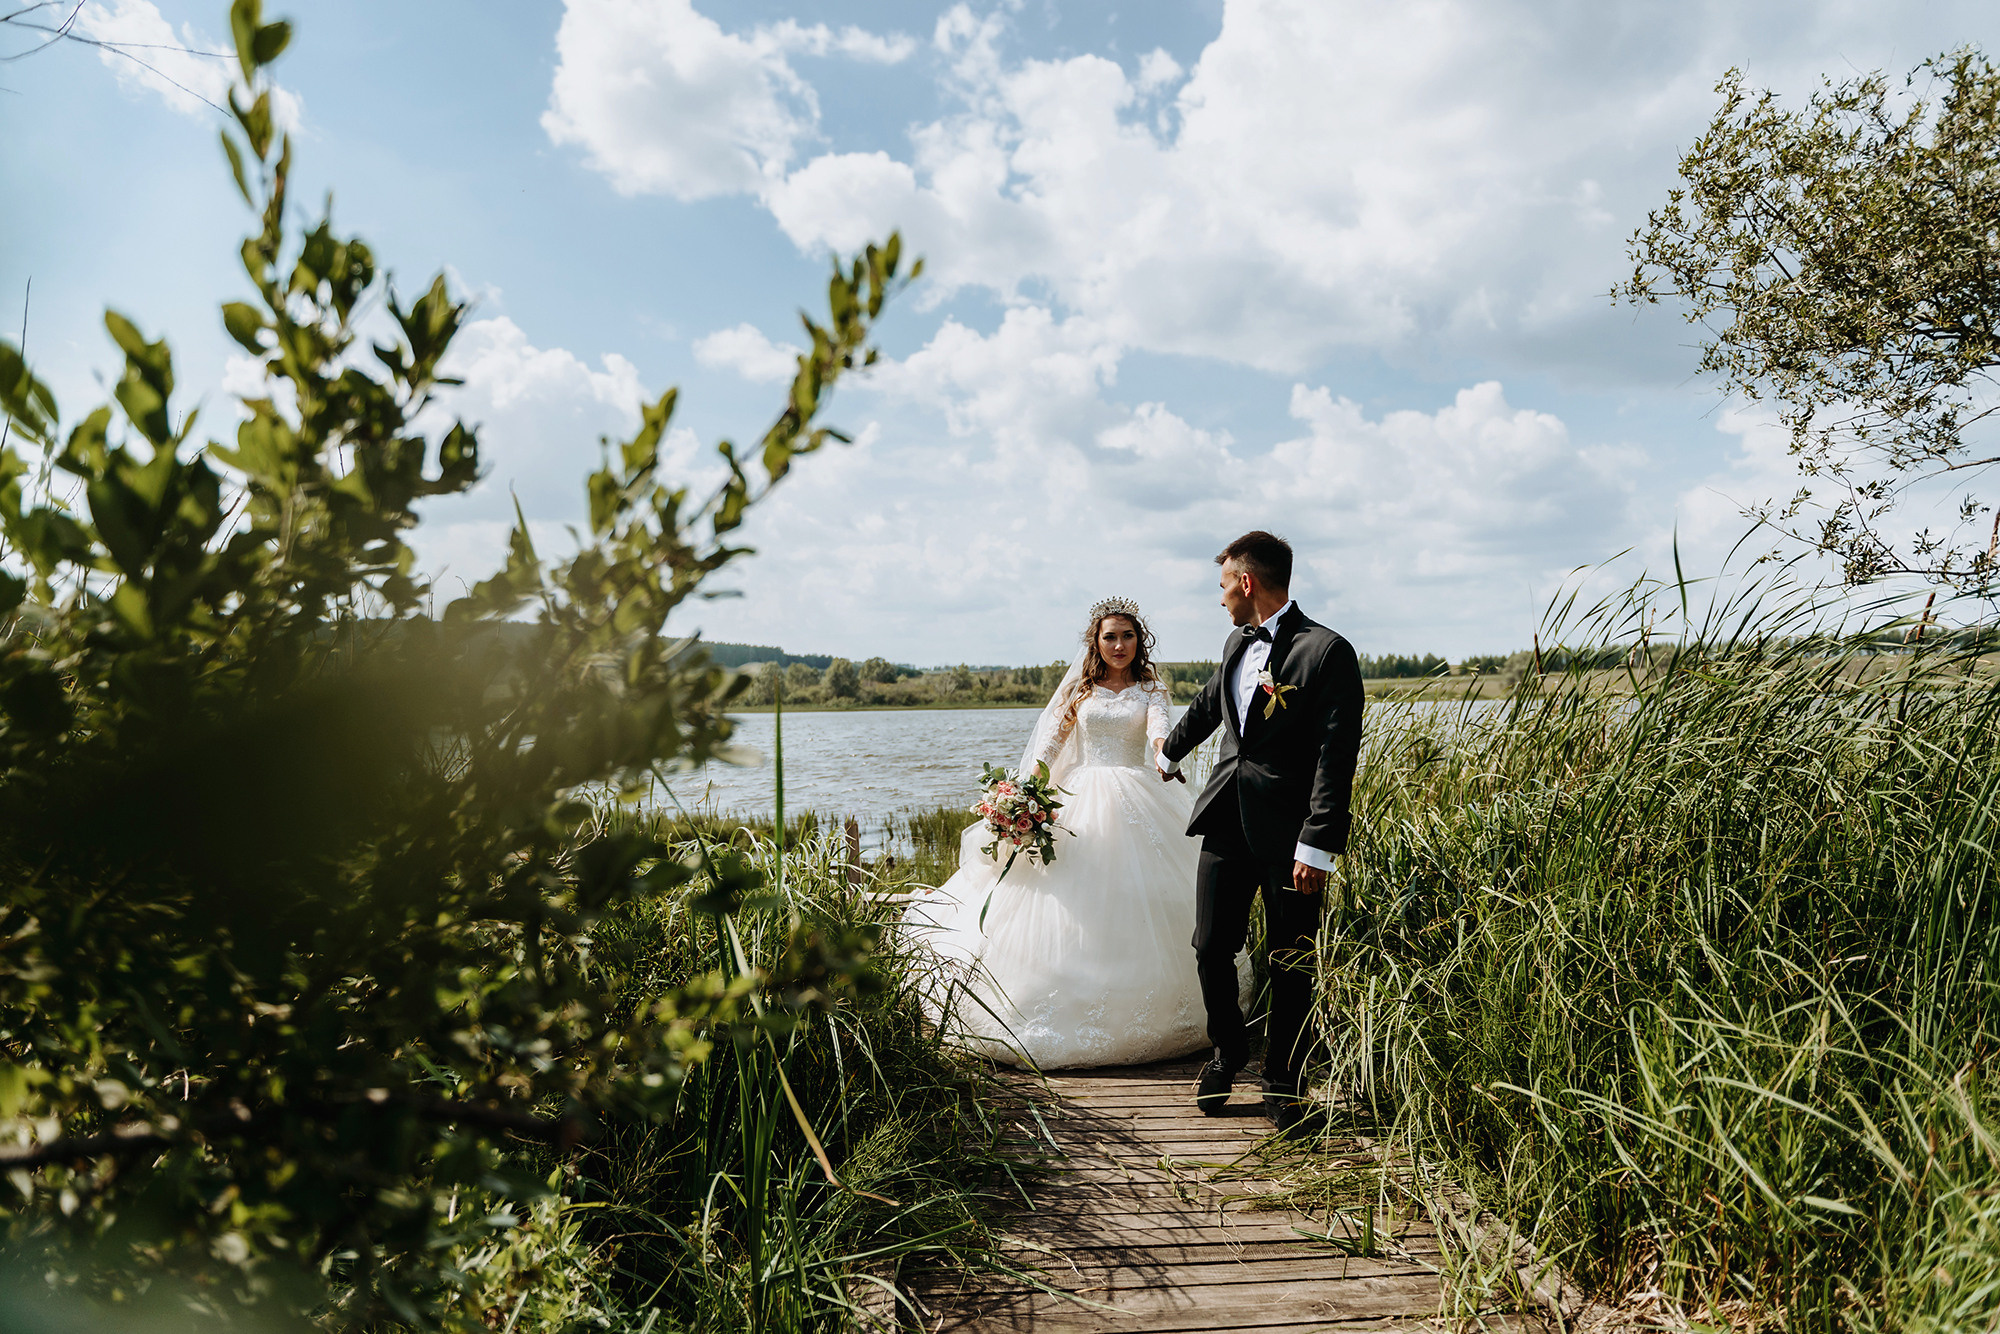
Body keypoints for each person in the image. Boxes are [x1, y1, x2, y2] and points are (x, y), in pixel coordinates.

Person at [903, 597, 1248, 1069]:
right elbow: (1050, 745)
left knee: (1146, 895)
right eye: (1110, 637)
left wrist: (1164, 755)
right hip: (1080, 797)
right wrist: (1024, 794)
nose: (1119, 645)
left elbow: (1159, 732)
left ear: (1139, 640)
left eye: (1127, 636)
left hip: (1138, 793)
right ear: (1096, 642)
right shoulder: (1080, 690)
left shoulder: (1151, 688)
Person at [1157, 531, 1364, 1132]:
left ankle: (1283, 1080)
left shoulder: (1327, 652)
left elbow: (1335, 755)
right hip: (1226, 817)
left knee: (1290, 959)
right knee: (1210, 945)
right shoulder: (1235, 641)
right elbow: (1212, 703)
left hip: (1291, 835)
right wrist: (1169, 751)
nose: (1220, 596)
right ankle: (1228, 1052)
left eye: (1224, 584)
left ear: (1247, 583)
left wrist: (1317, 842)